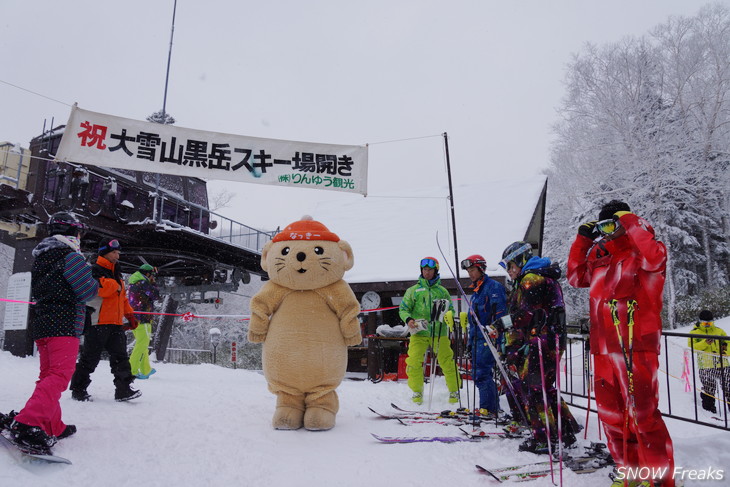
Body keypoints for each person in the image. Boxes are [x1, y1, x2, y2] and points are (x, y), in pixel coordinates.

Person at [567, 200, 675, 487]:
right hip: (603, 348)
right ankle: (630, 473)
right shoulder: (600, 256)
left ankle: (659, 479)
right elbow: (575, 276)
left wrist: (632, 222)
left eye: (612, 223)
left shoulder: (644, 251)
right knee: (612, 415)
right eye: (602, 226)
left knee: (642, 416)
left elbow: (655, 258)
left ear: (625, 221)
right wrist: (583, 240)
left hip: (635, 345)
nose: (606, 231)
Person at [1, 212, 97, 452]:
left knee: (49, 375)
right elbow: (87, 291)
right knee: (59, 376)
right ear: (72, 233)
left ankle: (54, 424)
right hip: (64, 325)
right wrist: (94, 279)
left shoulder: (43, 257)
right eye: (79, 233)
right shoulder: (70, 257)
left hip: (44, 325)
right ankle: (27, 422)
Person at [499, 241, 579, 453]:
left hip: (541, 341)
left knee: (533, 389)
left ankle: (545, 438)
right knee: (544, 387)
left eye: (510, 265)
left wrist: (502, 324)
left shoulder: (531, 279)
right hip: (548, 340)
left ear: (521, 260)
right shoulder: (538, 277)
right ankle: (566, 432)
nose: (509, 271)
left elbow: (525, 315)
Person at [69, 239, 142, 402]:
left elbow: (122, 299)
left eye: (118, 253)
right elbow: (99, 290)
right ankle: (78, 389)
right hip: (97, 322)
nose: (118, 255)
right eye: (115, 252)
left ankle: (123, 390)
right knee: (90, 358)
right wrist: (114, 284)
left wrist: (130, 316)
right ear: (105, 252)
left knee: (121, 358)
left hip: (115, 323)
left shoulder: (117, 273)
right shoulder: (94, 270)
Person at [399, 257, 460, 405]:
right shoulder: (413, 291)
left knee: (447, 361)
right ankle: (417, 391)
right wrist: (408, 320)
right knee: (413, 362)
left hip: (439, 332)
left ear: (435, 271)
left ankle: (454, 390)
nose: (427, 273)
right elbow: (403, 309)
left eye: (430, 270)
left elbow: (450, 310)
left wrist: (447, 317)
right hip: (419, 333)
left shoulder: (442, 291)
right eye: (425, 270)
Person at [461, 254, 507, 417]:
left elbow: (501, 314)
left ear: (481, 269)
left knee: (481, 373)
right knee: (479, 373)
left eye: (473, 269)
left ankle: (488, 408)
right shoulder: (476, 292)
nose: (470, 274)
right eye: (468, 271)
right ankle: (491, 408)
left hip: (489, 338)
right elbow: (474, 320)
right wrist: (469, 342)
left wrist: (496, 330)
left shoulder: (493, 287)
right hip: (476, 339)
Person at [688, 310, 729, 415]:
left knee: (728, 386)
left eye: (709, 323)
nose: (707, 325)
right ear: (700, 322)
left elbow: (728, 343)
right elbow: (692, 347)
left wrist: (724, 349)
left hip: (723, 364)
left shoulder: (719, 331)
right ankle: (709, 411)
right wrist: (705, 343)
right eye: (705, 323)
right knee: (709, 388)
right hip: (706, 365)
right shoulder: (694, 333)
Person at [128, 264, 160, 379]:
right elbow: (156, 295)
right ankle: (132, 370)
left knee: (143, 344)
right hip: (143, 318)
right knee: (142, 344)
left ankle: (146, 369)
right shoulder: (143, 283)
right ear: (147, 274)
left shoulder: (134, 282)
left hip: (134, 317)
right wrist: (154, 283)